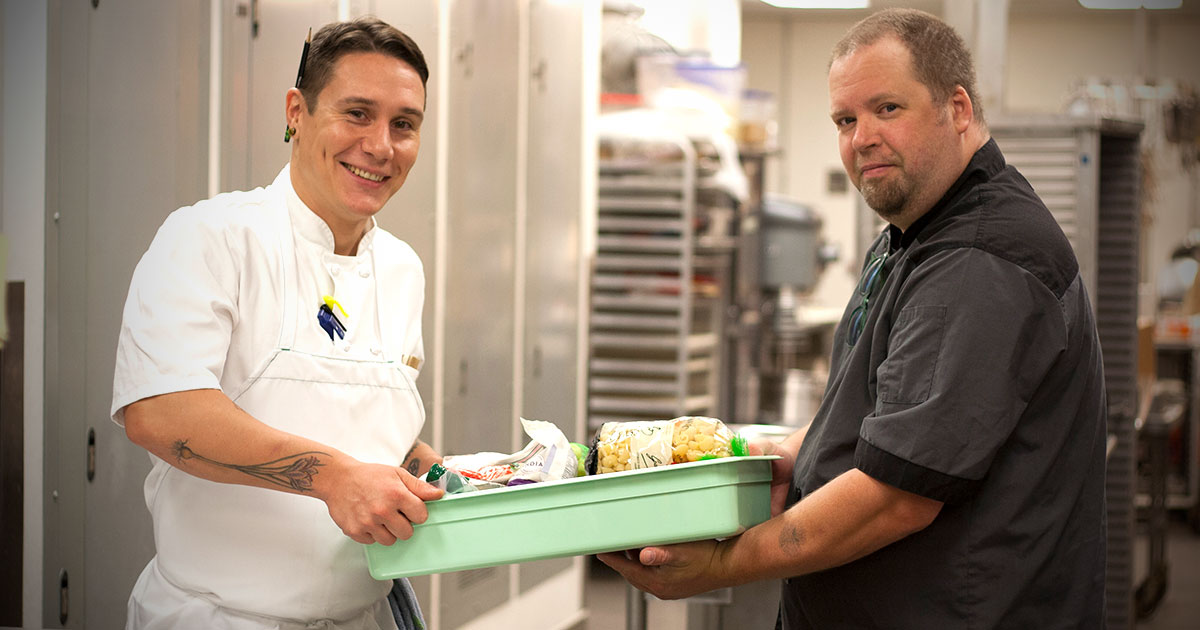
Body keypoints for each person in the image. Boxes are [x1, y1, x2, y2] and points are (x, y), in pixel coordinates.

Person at [599, 8, 1108, 628]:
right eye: (845, 119)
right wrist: (781, 457)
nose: (861, 136)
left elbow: (894, 499)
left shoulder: (979, 262)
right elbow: (876, 404)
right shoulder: (911, 235)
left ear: (959, 109)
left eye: (887, 109)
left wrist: (719, 566)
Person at [111, 16, 443, 630]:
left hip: (363, 616)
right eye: (357, 113)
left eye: (405, 124)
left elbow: (371, 428)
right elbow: (158, 412)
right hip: (219, 617)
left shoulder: (402, 269)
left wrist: (456, 476)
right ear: (297, 111)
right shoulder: (210, 238)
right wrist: (333, 478)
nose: (380, 146)